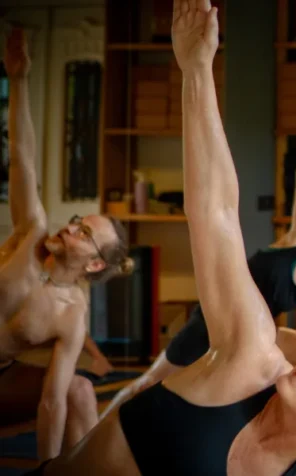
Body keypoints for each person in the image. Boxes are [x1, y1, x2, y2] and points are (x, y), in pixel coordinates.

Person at [31, 4, 296, 474]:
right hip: (218, 325)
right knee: (136, 387)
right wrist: (196, 70)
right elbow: (217, 212)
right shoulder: (253, 354)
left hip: (222, 322)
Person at [99, 85, 296, 421]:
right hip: (212, 317)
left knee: (209, 408)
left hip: (243, 340)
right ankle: (89, 441)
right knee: (147, 384)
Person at [0, 28, 134, 460]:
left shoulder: (71, 314)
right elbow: (22, 159)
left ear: (94, 265)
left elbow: (51, 402)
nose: (71, 228)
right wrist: (18, 81)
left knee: (76, 389)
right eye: (78, 222)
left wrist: (47, 467)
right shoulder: (32, 233)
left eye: (85, 234)